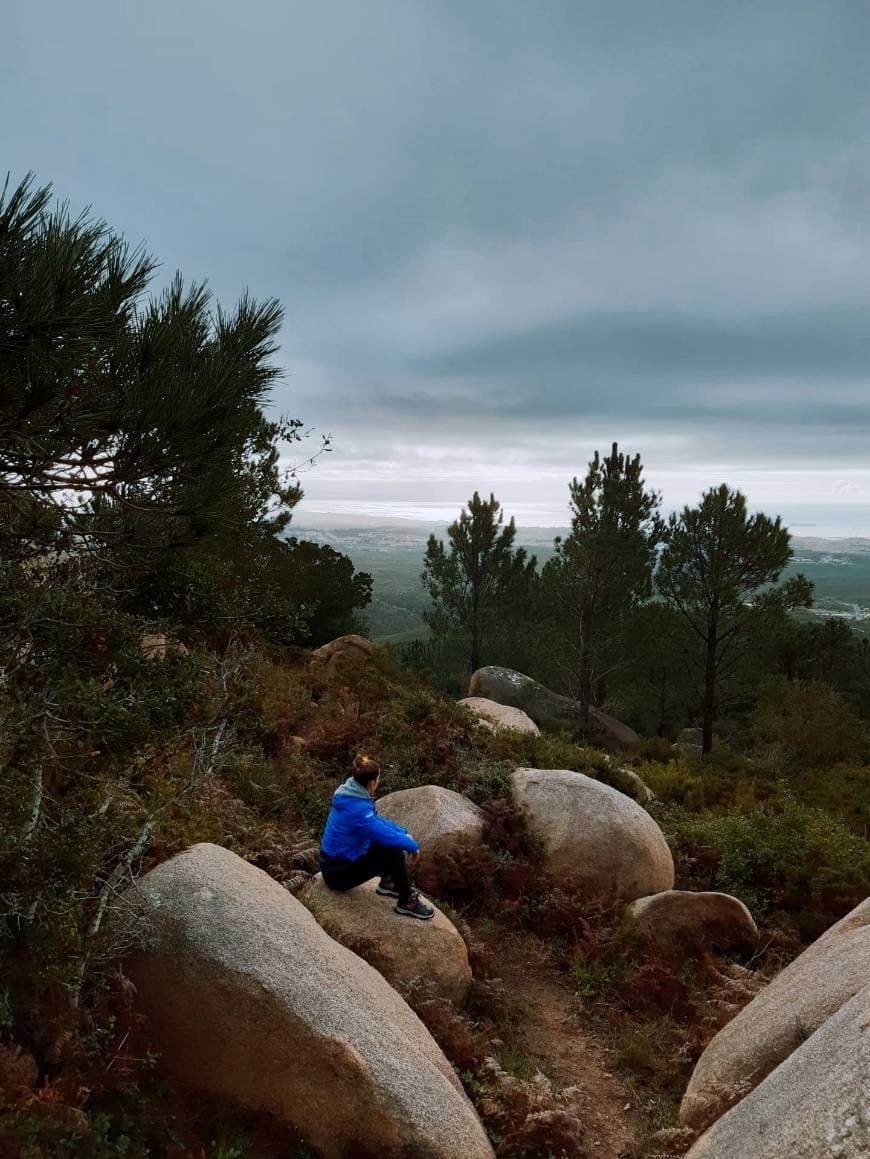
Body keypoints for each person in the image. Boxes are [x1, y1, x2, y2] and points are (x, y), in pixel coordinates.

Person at [319, 754, 435, 920]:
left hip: (334, 864)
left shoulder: (350, 795)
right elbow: (379, 831)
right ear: (372, 783)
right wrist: (411, 845)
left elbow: (375, 822)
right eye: (378, 779)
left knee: (382, 842)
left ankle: (389, 882)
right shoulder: (357, 810)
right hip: (338, 875)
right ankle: (406, 902)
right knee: (393, 851)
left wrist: (402, 833)